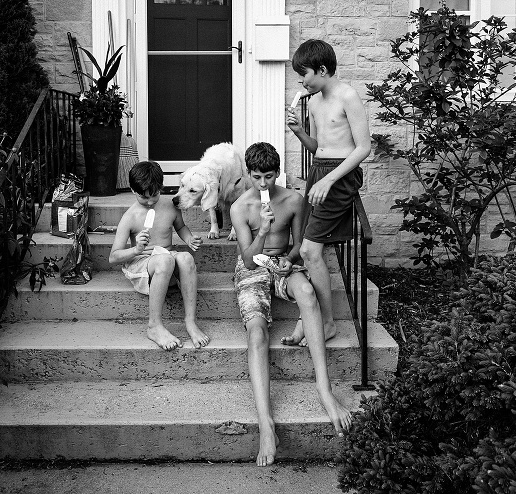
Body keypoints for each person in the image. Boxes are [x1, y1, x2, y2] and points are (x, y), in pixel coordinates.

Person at [230, 142, 351, 467]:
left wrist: (289, 260)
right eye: (257, 177)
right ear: (248, 174)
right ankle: (266, 423)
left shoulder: (294, 200)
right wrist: (263, 230)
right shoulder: (240, 207)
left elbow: (299, 245)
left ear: (278, 172)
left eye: (269, 176)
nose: (264, 183)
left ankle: (325, 391)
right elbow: (248, 260)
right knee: (257, 333)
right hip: (252, 268)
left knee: (308, 294)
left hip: (282, 264)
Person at [284, 39, 371, 347]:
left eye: (304, 74)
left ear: (322, 69)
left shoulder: (348, 95)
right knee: (310, 250)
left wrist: (329, 181)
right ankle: (317, 319)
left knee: (309, 251)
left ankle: (327, 322)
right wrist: (299, 132)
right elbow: (317, 147)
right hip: (320, 172)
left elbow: (363, 148)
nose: (301, 81)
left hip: (339, 176)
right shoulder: (314, 102)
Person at [109, 161, 210, 350]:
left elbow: (181, 227)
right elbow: (113, 257)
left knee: (186, 258)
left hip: (167, 258)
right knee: (165, 260)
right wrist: (136, 249)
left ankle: (190, 321)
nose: (150, 202)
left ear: (161, 188)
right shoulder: (130, 217)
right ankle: (154, 325)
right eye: (143, 197)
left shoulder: (170, 206)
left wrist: (189, 239)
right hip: (143, 264)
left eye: (154, 195)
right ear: (132, 190)